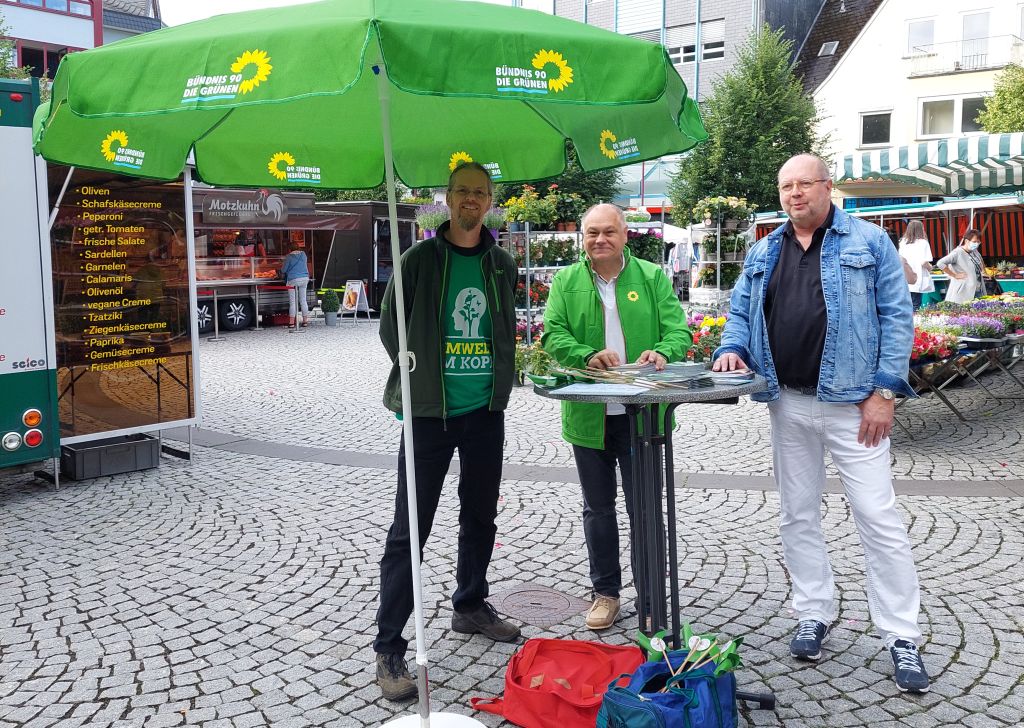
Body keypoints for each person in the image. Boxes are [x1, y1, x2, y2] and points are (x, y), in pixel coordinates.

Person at [712, 154, 930, 693]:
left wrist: (885, 393)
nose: (794, 194)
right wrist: (733, 346)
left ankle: (902, 634)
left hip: (855, 406)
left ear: (827, 187)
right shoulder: (765, 249)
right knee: (797, 513)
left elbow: (897, 316)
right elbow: (740, 311)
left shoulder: (870, 242)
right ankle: (813, 609)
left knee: (878, 517)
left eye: (804, 184)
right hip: (786, 401)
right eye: (785, 186)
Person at [374, 162, 520, 702]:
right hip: (429, 415)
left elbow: (504, 328)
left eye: (480, 193)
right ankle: (389, 646)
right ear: (448, 197)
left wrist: (500, 385)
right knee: (410, 529)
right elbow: (392, 328)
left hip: (484, 412)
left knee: (481, 514)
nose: (471, 201)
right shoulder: (418, 262)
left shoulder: (501, 265)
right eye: (462, 191)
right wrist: (418, 377)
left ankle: (469, 605)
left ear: (489, 201)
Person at [542, 203, 690, 631]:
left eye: (609, 232)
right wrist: (587, 355)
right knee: (598, 509)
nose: (600, 240)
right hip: (589, 414)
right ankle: (605, 593)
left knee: (645, 509)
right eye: (592, 233)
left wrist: (663, 352)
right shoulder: (567, 281)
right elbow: (553, 334)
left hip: (642, 414)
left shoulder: (651, 277)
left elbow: (678, 330)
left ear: (626, 235)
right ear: (582, 238)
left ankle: (650, 596)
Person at [937, 228, 986, 303]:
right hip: (963, 291)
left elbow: (980, 259)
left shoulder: (974, 251)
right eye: (974, 242)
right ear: (966, 241)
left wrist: (983, 271)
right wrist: (954, 275)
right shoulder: (957, 252)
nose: (976, 244)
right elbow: (940, 263)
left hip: (977, 289)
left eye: (978, 242)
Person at [898, 220, 934, 310]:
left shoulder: (902, 242)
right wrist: (930, 268)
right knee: (916, 304)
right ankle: (914, 323)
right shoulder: (923, 243)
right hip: (917, 277)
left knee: (906, 304)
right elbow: (924, 262)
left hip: (905, 276)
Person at [280, 241, 310, 327]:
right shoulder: (303, 254)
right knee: (303, 300)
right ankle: (305, 321)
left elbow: (283, 270)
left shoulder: (289, 257)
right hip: (304, 278)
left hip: (293, 279)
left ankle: (291, 323)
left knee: (293, 302)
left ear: (289, 249)